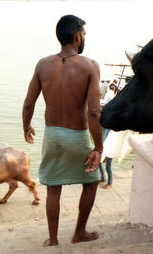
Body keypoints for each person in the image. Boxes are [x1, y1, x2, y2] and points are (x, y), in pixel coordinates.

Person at [22, 14, 103, 247]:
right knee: (91, 182)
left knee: (53, 188)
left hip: (52, 134)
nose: (84, 38)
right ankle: (79, 233)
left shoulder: (43, 64)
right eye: (84, 34)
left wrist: (26, 127)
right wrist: (98, 146)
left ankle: (54, 240)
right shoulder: (90, 66)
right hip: (77, 134)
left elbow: (29, 103)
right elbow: (94, 112)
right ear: (77, 36)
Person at [99, 83, 119, 189]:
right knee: (99, 162)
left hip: (111, 147)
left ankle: (110, 183)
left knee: (108, 165)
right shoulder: (107, 125)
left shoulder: (114, 126)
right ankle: (103, 178)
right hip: (106, 146)